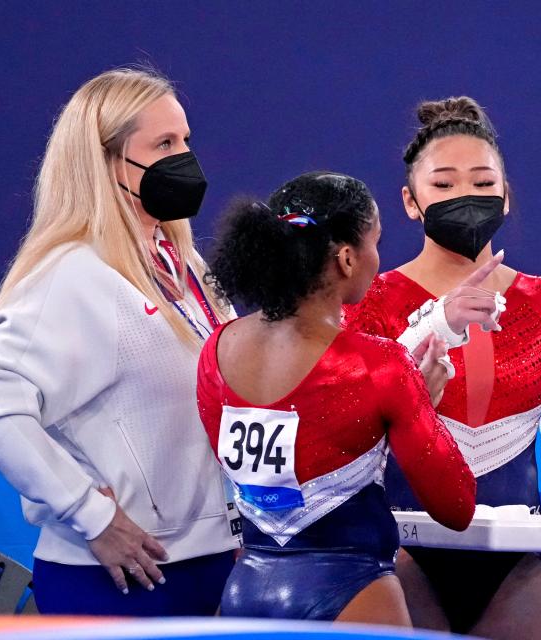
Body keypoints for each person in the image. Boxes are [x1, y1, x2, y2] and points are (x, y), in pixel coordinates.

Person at [0, 68, 238, 615]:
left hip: (210, 558)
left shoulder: (181, 265)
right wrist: (91, 514)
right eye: (163, 144)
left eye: (185, 140)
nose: (185, 157)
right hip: (124, 578)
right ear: (108, 164)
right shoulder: (73, 274)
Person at [342, 97, 541, 639]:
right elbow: (344, 426)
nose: (466, 195)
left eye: (484, 183)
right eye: (444, 184)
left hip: (517, 559)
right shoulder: (369, 302)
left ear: (506, 198)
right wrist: (436, 324)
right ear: (411, 203)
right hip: (405, 549)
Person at [196, 171, 476, 625]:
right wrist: (422, 405)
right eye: (375, 242)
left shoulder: (217, 349)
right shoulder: (379, 364)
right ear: (346, 258)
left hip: (245, 590)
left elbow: (258, 469)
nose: (377, 258)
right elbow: (456, 506)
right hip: (351, 591)